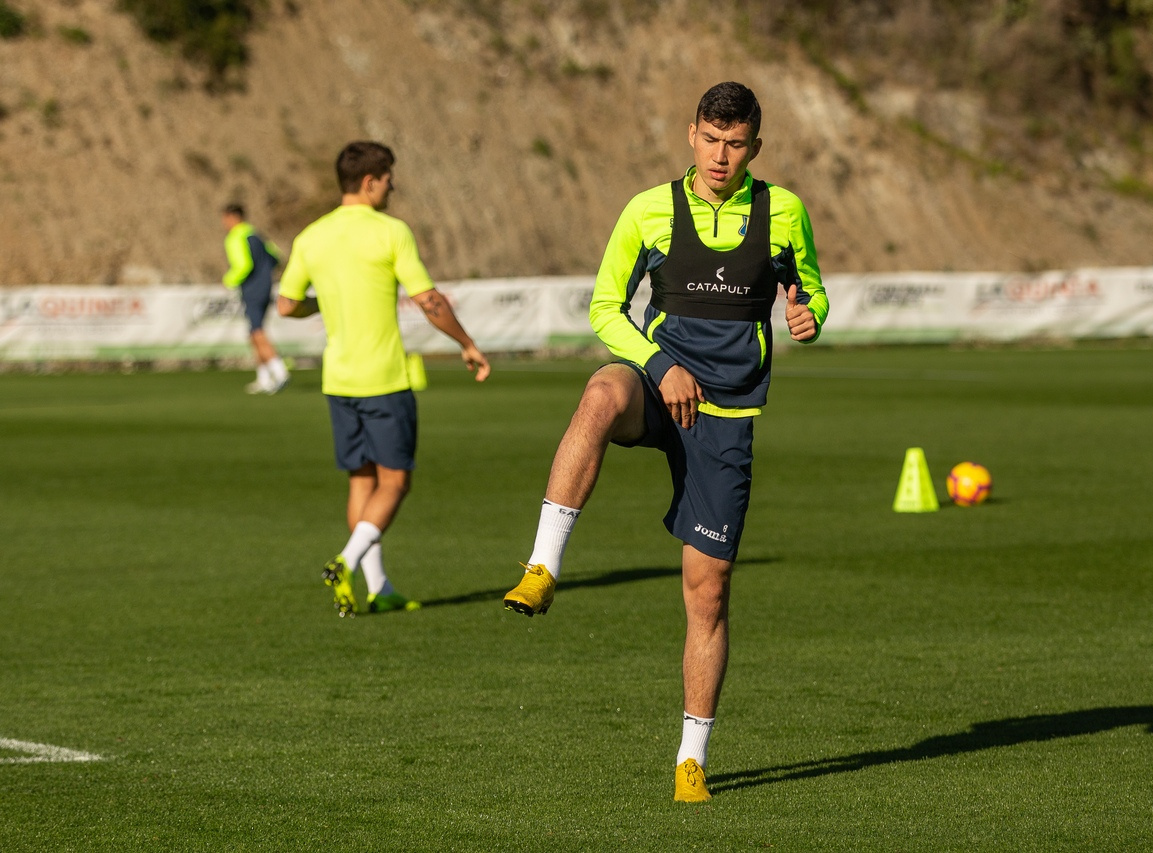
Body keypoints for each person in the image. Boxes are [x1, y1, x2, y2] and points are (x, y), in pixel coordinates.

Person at [502, 82, 829, 802]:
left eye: (735, 144)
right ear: (691, 135)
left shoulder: (784, 212)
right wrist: (658, 364)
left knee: (707, 593)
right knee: (599, 393)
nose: (721, 155)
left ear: (755, 146)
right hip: (657, 386)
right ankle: (543, 566)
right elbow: (604, 308)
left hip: (727, 417)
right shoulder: (648, 209)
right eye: (710, 140)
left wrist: (810, 318)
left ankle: (691, 761)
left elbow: (810, 290)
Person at [277, 141, 490, 617]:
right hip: (384, 379)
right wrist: (467, 343)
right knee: (395, 482)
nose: (393, 187)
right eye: (389, 179)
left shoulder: (311, 236)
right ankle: (346, 561)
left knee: (362, 481)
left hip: (338, 381)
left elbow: (287, 305)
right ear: (370, 182)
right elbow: (429, 300)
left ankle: (379, 587)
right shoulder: (391, 231)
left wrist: (324, 303)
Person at [221, 203, 290, 394]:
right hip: (265, 288)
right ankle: (264, 377)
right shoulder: (256, 234)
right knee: (253, 332)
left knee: (257, 331)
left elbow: (243, 265)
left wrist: (228, 280)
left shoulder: (236, 236)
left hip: (252, 290)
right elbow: (276, 257)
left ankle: (280, 371)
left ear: (232, 217)